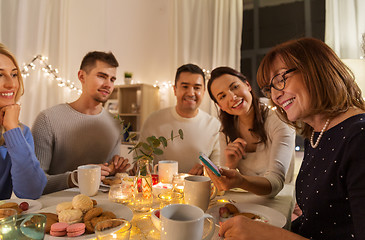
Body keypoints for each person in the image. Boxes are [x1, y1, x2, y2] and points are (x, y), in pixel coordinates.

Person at [207, 37, 365, 240]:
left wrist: (271, 235)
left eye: (281, 79)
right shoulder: (316, 135)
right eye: (270, 87)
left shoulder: (358, 137)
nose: (275, 95)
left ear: (317, 68)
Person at [32, 51, 130, 195]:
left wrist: (113, 171)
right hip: (56, 209)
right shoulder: (47, 119)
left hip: (101, 206)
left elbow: (105, 178)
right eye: (102, 76)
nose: (108, 84)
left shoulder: (115, 123)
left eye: (112, 79)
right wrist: (74, 177)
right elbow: (34, 184)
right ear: (81, 76)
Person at [207, 66, 295, 197]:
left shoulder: (278, 117)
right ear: (220, 106)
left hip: (280, 200)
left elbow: (276, 183)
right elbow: (226, 185)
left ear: (247, 85)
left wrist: (241, 181)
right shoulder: (225, 130)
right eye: (223, 96)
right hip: (241, 202)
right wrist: (230, 165)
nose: (232, 97)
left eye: (235, 87)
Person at [137, 63, 221, 174]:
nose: (191, 93)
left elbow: (218, 167)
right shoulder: (153, 121)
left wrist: (205, 172)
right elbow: (140, 160)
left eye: (197, 88)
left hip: (199, 188)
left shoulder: (214, 125)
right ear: (175, 89)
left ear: (204, 92)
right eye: (185, 87)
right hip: (160, 189)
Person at [0, 43, 47, 200]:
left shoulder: (20, 132)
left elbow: (31, 191)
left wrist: (12, 129)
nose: (11, 84)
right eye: (0, 75)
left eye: (14, 75)